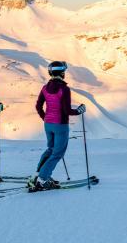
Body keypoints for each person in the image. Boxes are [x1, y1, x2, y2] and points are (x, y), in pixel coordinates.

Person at [31, 61, 86, 190]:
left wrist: (45, 118)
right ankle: (43, 179)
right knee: (57, 153)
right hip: (60, 125)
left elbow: (38, 106)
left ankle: (39, 174)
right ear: (62, 73)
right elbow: (67, 111)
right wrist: (79, 111)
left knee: (50, 149)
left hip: (48, 124)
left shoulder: (45, 88)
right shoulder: (64, 89)